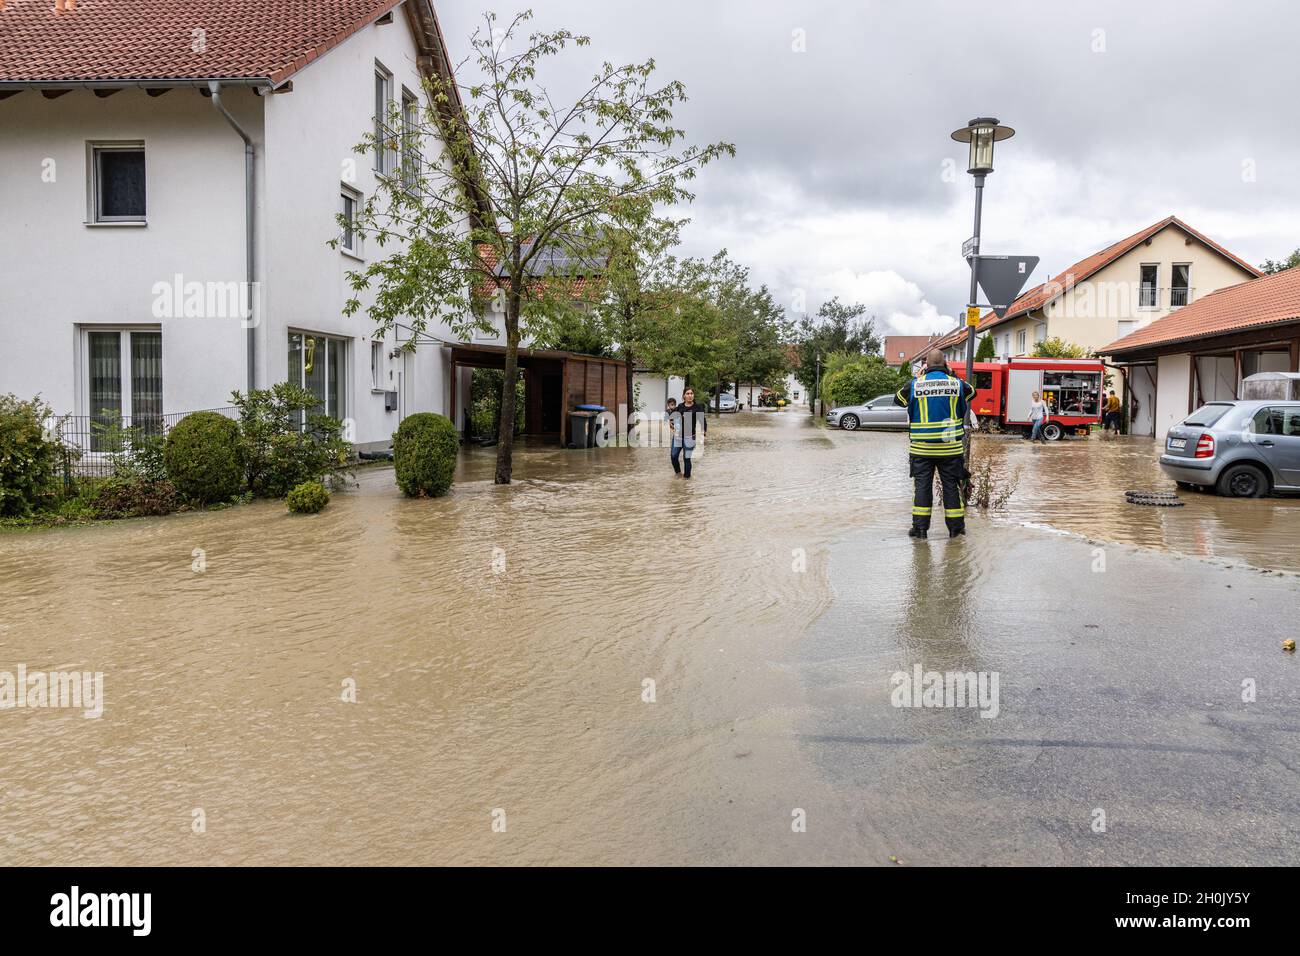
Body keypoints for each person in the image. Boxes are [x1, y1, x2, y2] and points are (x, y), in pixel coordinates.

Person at [894, 350, 975, 539]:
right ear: (945, 363)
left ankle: (920, 530)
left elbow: (898, 399)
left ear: (926, 365)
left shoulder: (915, 384)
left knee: (922, 487)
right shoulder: (956, 383)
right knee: (951, 487)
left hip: (922, 448)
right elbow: (972, 392)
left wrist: (917, 377)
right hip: (950, 449)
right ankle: (956, 530)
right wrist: (952, 374)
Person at [670, 387, 707, 479]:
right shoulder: (680, 406)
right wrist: (672, 425)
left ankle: (686, 479)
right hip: (678, 437)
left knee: (686, 458)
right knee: (673, 456)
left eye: (691, 393)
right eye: (688, 394)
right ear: (684, 396)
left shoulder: (697, 408)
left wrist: (703, 432)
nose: (690, 395)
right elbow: (673, 418)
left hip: (690, 437)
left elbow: (703, 421)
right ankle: (678, 474)